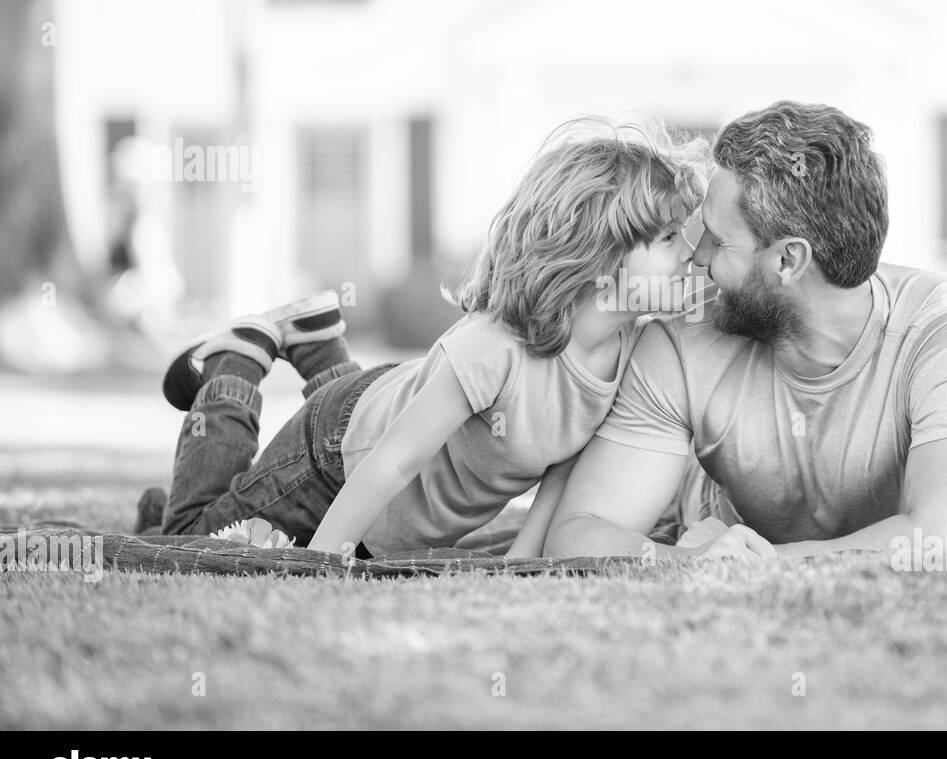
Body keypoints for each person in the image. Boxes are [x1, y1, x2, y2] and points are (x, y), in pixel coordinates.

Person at [139, 119, 707, 560]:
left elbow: (564, 467)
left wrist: (520, 561)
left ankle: (316, 342)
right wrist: (320, 564)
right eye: (666, 238)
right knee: (194, 542)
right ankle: (234, 362)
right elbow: (394, 463)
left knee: (380, 429)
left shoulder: (631, 350)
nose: (689, 251)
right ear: (596, 257)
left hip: (394, 411)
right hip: (333, 462)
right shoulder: (495, 350)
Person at [546, 100, 947, 562]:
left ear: (789, 259)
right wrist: (691, 561)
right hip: (715, 489)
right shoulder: (681, 339)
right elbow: (577, 534)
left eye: (718, 242)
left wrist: (766, 563)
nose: (695, 257)